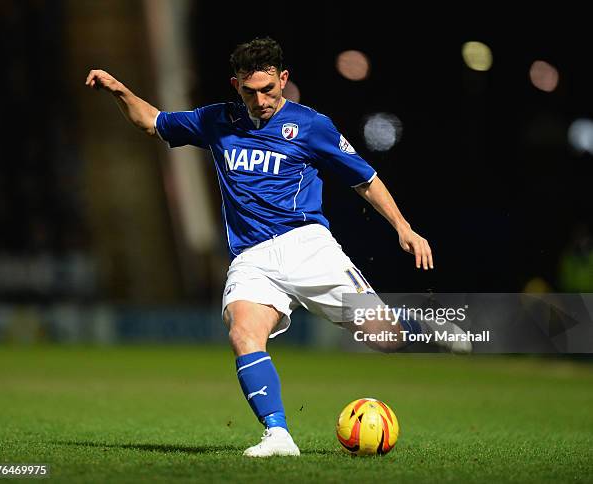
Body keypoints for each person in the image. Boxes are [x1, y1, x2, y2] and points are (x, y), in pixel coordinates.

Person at [86, 37, 470, 458]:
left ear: (283, 80)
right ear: (236, 86)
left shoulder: (311, 125)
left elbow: (364, 178)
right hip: (252, 257)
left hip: (307, 247)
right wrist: (120, 91)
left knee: (386, 340)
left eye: (268, 89)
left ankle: (419, 323)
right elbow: (152, 122)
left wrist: (404, 227)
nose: (261, 99)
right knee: (243, 332)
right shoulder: (216, 120)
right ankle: (278, 435)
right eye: (250, 91)